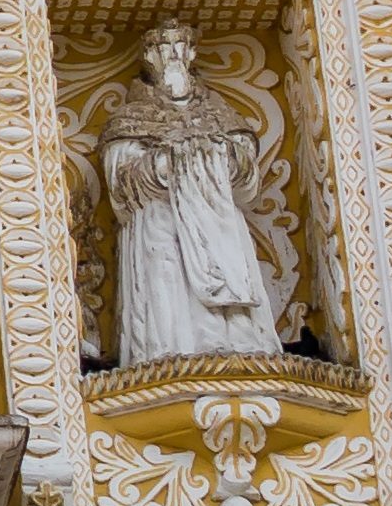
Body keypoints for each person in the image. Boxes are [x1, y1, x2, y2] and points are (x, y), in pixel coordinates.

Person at [97, 21, 283, 366]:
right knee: (168, 287)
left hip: (218, 220)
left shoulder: (220, 114)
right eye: (162, 49)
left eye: (179, 47)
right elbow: (122, 184)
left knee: (235, 310)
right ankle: (171, 350)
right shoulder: (131, 118)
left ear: (191, 53)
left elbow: (245, 178)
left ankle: (241, 344)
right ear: (149, 57)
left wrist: (216, 156)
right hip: (161, 221)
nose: (172, 55)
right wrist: (166, 163)